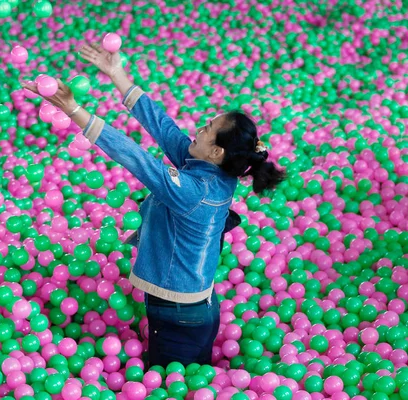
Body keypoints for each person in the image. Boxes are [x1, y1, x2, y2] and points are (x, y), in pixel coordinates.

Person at [22, 42, 286, 368]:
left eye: (208, 129)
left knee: (169, 384)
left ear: (217, 151)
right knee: (191, 378)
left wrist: (74, 110)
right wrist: (117, 74)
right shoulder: (219, 171)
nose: (200, 129)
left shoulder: (193, 190)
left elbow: (135, 157)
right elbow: (163, 127)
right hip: (196, 307)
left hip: (178, 315)